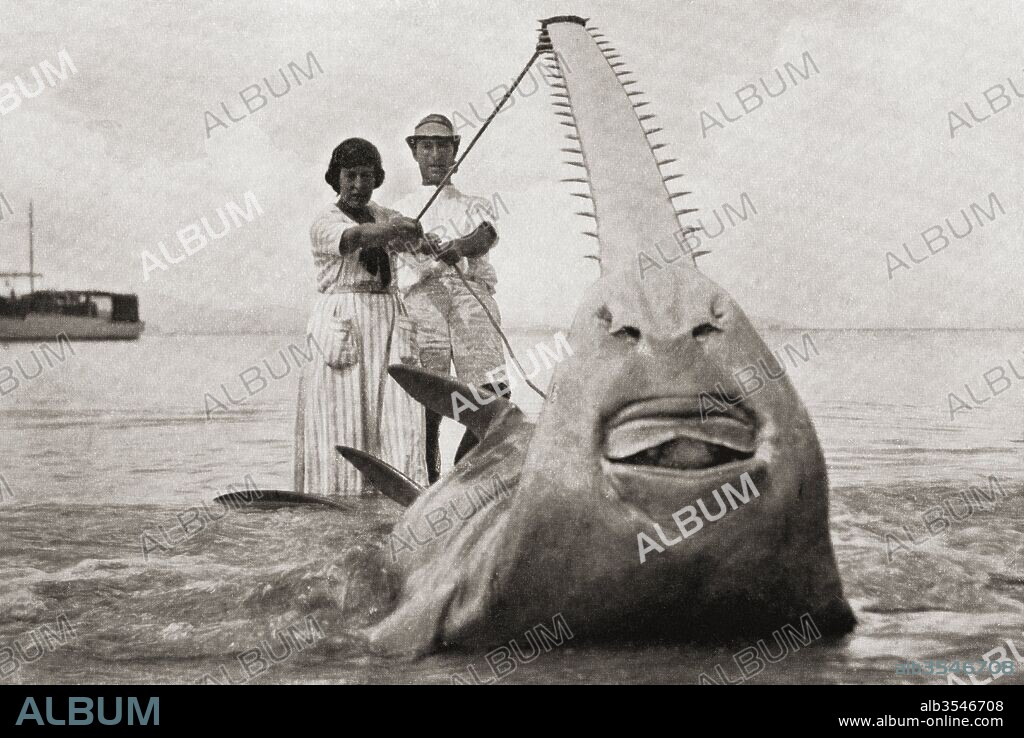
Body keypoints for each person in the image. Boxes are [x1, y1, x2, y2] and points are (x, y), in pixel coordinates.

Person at [294, 137, 433, 496]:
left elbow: (416, 249)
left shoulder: (386, 216)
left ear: (377, 178)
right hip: (344, 321)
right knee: (343, 422)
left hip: (388, 321)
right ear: (336, 178)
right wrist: (396, 229)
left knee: (398, 421)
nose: (358, 185)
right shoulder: (325, 222)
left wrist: (416, 235)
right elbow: (355, 237)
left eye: (367, 176)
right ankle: (338, 501)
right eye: (350, 176)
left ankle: (397, 504)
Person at [392, 114, 509, 483]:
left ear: (456, 150)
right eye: (426, 146)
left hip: (470, 293)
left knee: (492, 393)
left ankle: (465, 475)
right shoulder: (402, 207)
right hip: (422, 297)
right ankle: (428, 477)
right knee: (429, 395)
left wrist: (458, 247)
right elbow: (395, 242)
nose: (436, 154)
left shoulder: (475, 203)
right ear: (415, 151)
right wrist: (416, 241)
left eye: (444, 145)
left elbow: (486, 236)